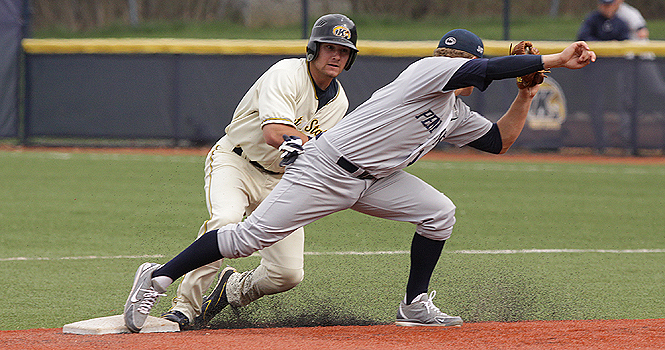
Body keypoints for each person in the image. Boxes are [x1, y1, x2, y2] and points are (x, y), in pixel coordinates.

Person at [124, 29, 596, 332]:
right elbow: (484, 66)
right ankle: (159, 276)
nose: (450, 60)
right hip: (327, 167)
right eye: (450, 56)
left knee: (439, 213)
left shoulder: (453, 110)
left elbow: (499, 141)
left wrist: (528, 93)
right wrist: (553, 59)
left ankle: (413, 305)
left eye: (456, 58)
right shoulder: (429, 71)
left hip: (374, 179)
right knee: (249, 237)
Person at [157, 13, 359, 330]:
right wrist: (316, 142)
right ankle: (185, 307)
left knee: (288, 274)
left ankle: (232, 289)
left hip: (283, 180)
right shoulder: (286, 73)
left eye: (344, 50)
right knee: (225, 222)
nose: (336, 55)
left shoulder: (340, 102)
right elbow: (275, 133)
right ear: (314, 48)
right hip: (237, 162)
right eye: (330, 47)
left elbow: (318, 156)